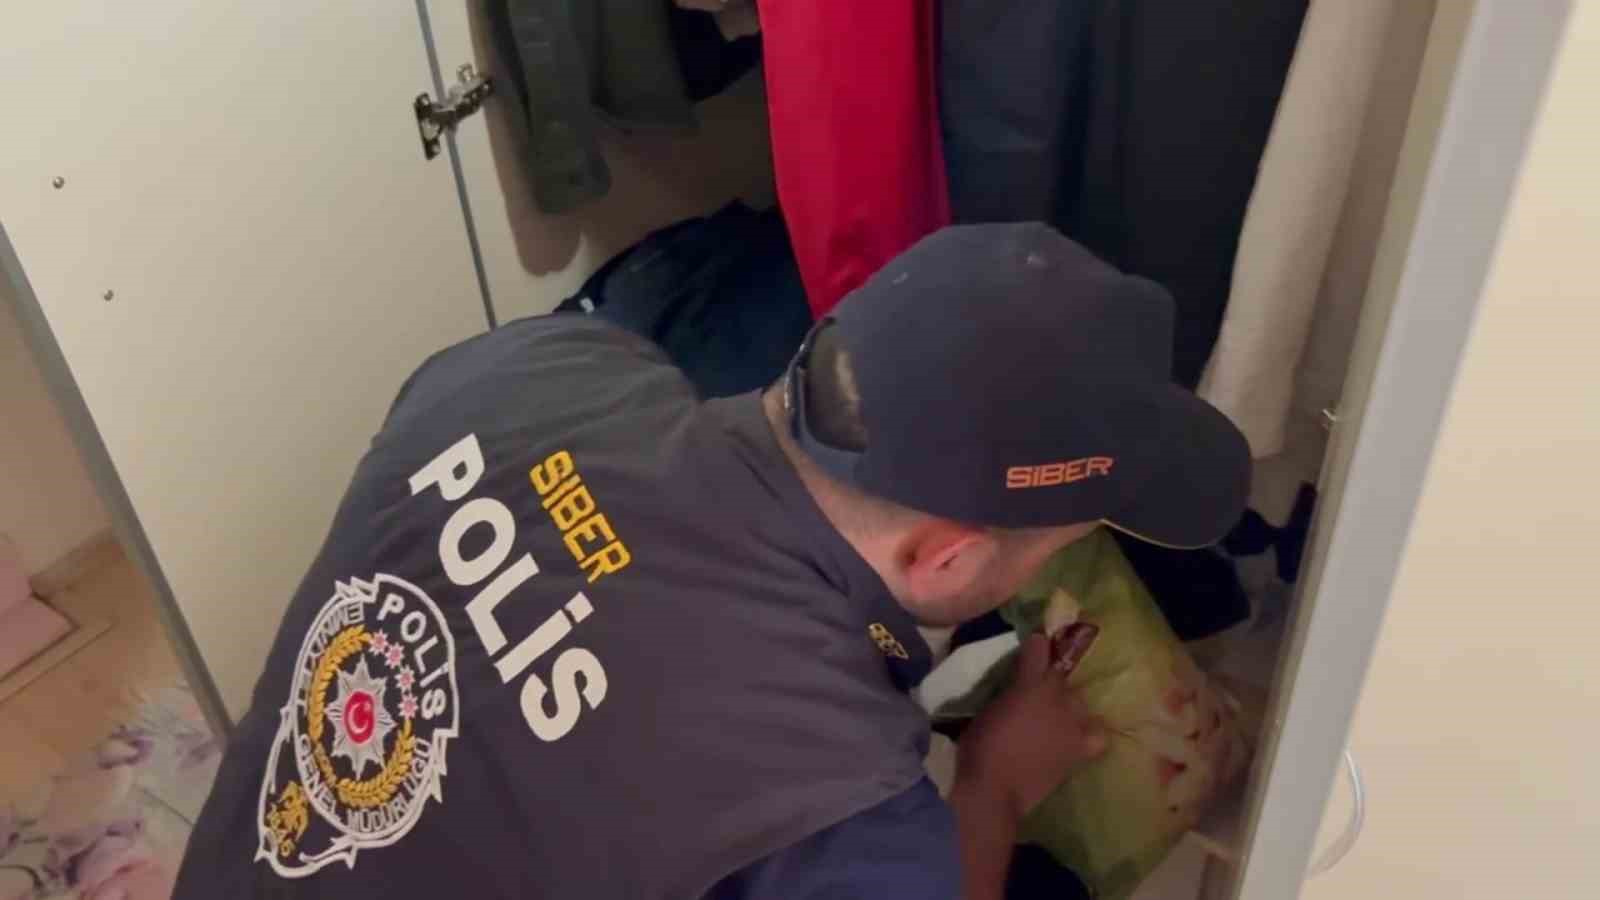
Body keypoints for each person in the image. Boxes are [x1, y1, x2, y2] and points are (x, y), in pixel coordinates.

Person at [173, 223, 1249, 900]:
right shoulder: (849, 817)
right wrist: (995, 786)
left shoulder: (537, 365)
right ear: (944, 556)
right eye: (1059, 542)